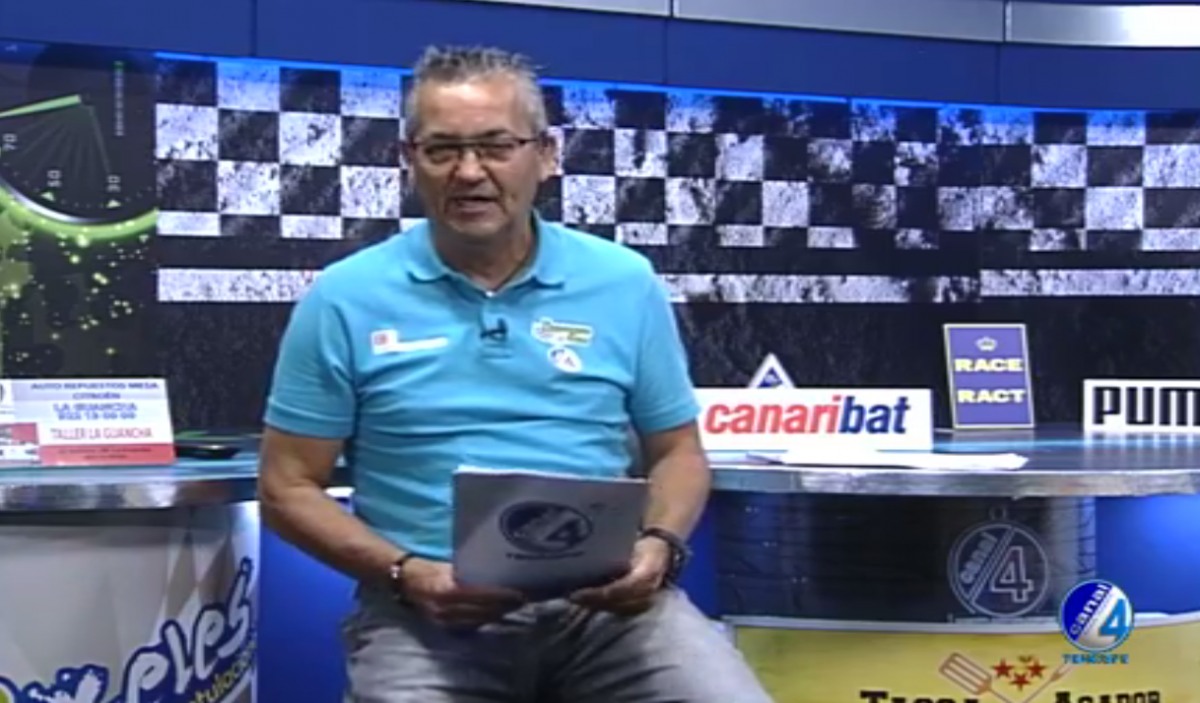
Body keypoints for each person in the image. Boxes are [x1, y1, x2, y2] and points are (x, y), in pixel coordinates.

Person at [257, 44, 774, 703]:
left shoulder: (623, 281)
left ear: (546, 155)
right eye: (442, 150)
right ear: (409, 159)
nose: (469, 172)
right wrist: (406, 572)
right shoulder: (344, 296)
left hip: (612, 614)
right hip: (425, 620)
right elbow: (286, 486)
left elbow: (678, 453)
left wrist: (661, 545)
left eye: (496, 146)